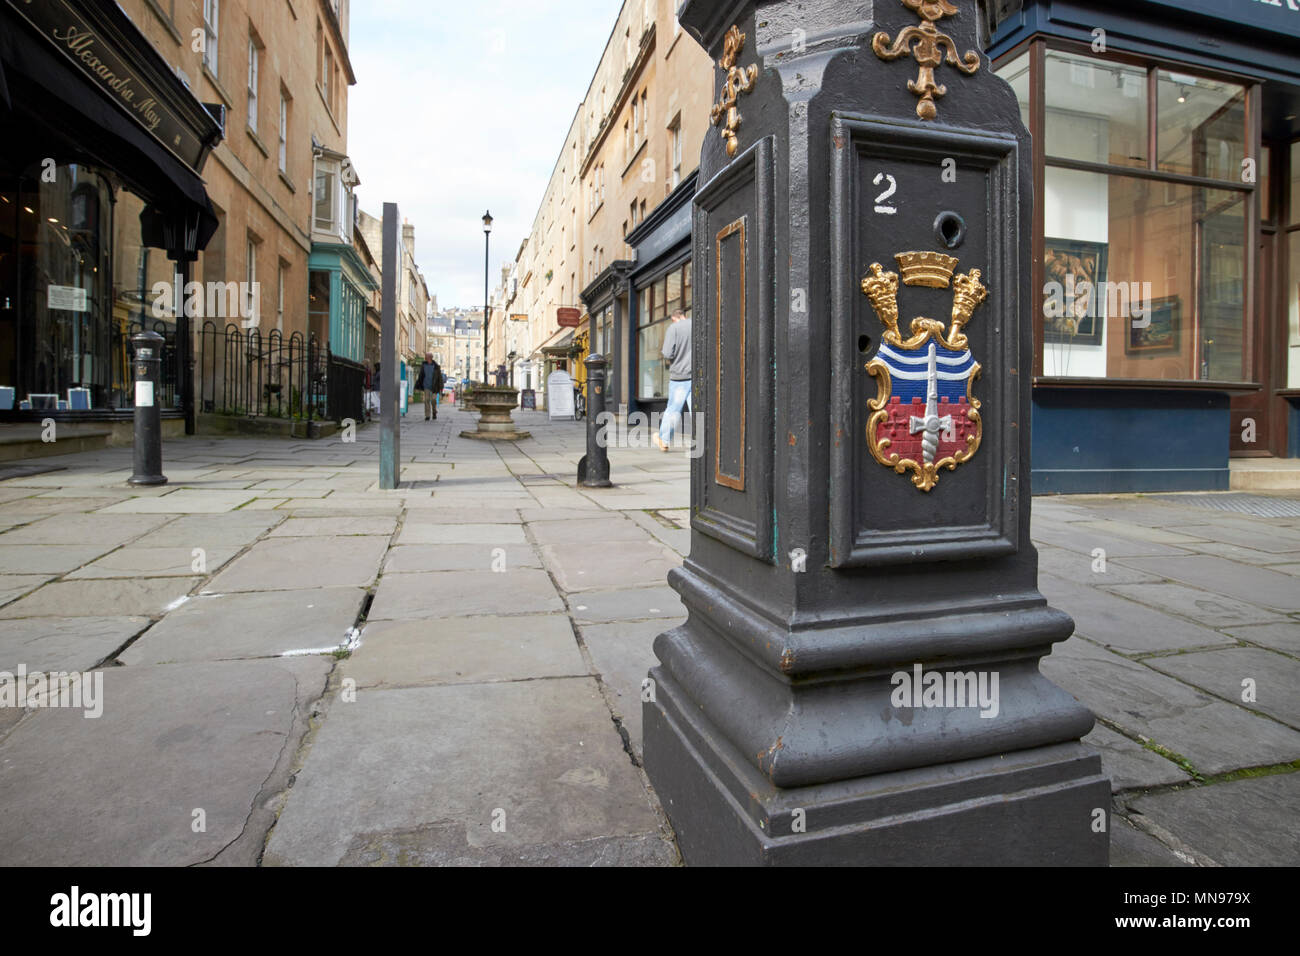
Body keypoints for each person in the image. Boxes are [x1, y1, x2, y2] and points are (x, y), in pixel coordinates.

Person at [656, 308, 692, 451]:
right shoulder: (695, 324)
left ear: (673, 318)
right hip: (696, 375)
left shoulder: (674, 328)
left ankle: (664, 440)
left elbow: (667, 352)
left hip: (679, 377)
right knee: (697, 411)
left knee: (673, 410)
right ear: (684, 315)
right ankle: (704, 440)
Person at [418, 353, 444, 420]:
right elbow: (421, 375)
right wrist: (419, 384)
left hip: (434, 386)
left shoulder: (436, 366)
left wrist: (441, 387)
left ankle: (434, 411)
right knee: (426, 400)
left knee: (433, 400)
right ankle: (427, 415)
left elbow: (440, 378)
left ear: (430, 357)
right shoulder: (424, 365)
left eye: (426, 356)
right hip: (426, 385)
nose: (425, 357)